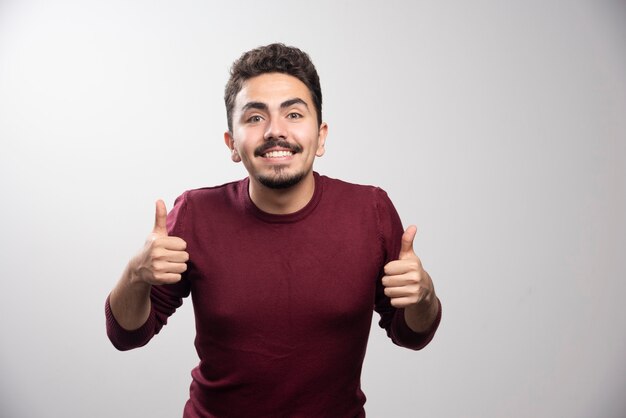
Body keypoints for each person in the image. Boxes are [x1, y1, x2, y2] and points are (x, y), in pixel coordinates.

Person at [105, 43, 441, 418]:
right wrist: (136, 273)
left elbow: (412, 334)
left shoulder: (370, 211)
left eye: (294, 114)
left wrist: (424, 296)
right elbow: (127, 334)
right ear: (232, 144)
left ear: (322, 135)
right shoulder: (195, 213)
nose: (275, 131)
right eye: (254, 118)